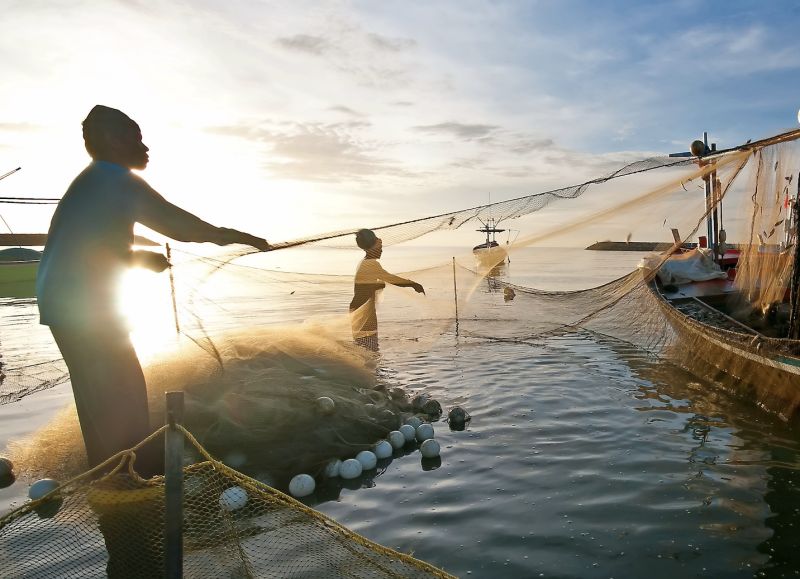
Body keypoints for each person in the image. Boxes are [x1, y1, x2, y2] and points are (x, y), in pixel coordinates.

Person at [36, 105, 270, 478]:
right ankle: (134, 480)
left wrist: (139, 259)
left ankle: (111, 479)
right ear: (112, 140)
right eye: (135, 137)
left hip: (62, 302)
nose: (145, 147)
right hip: (85, 307)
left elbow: (88, 246)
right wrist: (235, 236)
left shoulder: (92, 181)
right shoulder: (117, 178)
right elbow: (178, 225)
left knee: (98, 399)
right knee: (124, 397)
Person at [349, 229, 424, 351]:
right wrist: (413, 284)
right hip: (363, 312)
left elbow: (365, 286)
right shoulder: (371, 264)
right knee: (370, 349)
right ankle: (371, 370)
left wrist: (379, 285)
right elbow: (391, 278)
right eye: (379, 248)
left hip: (360, 309)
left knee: (363, 348)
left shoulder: (364, 263)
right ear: (372, 247)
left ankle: (370, 369)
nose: (381, 250)